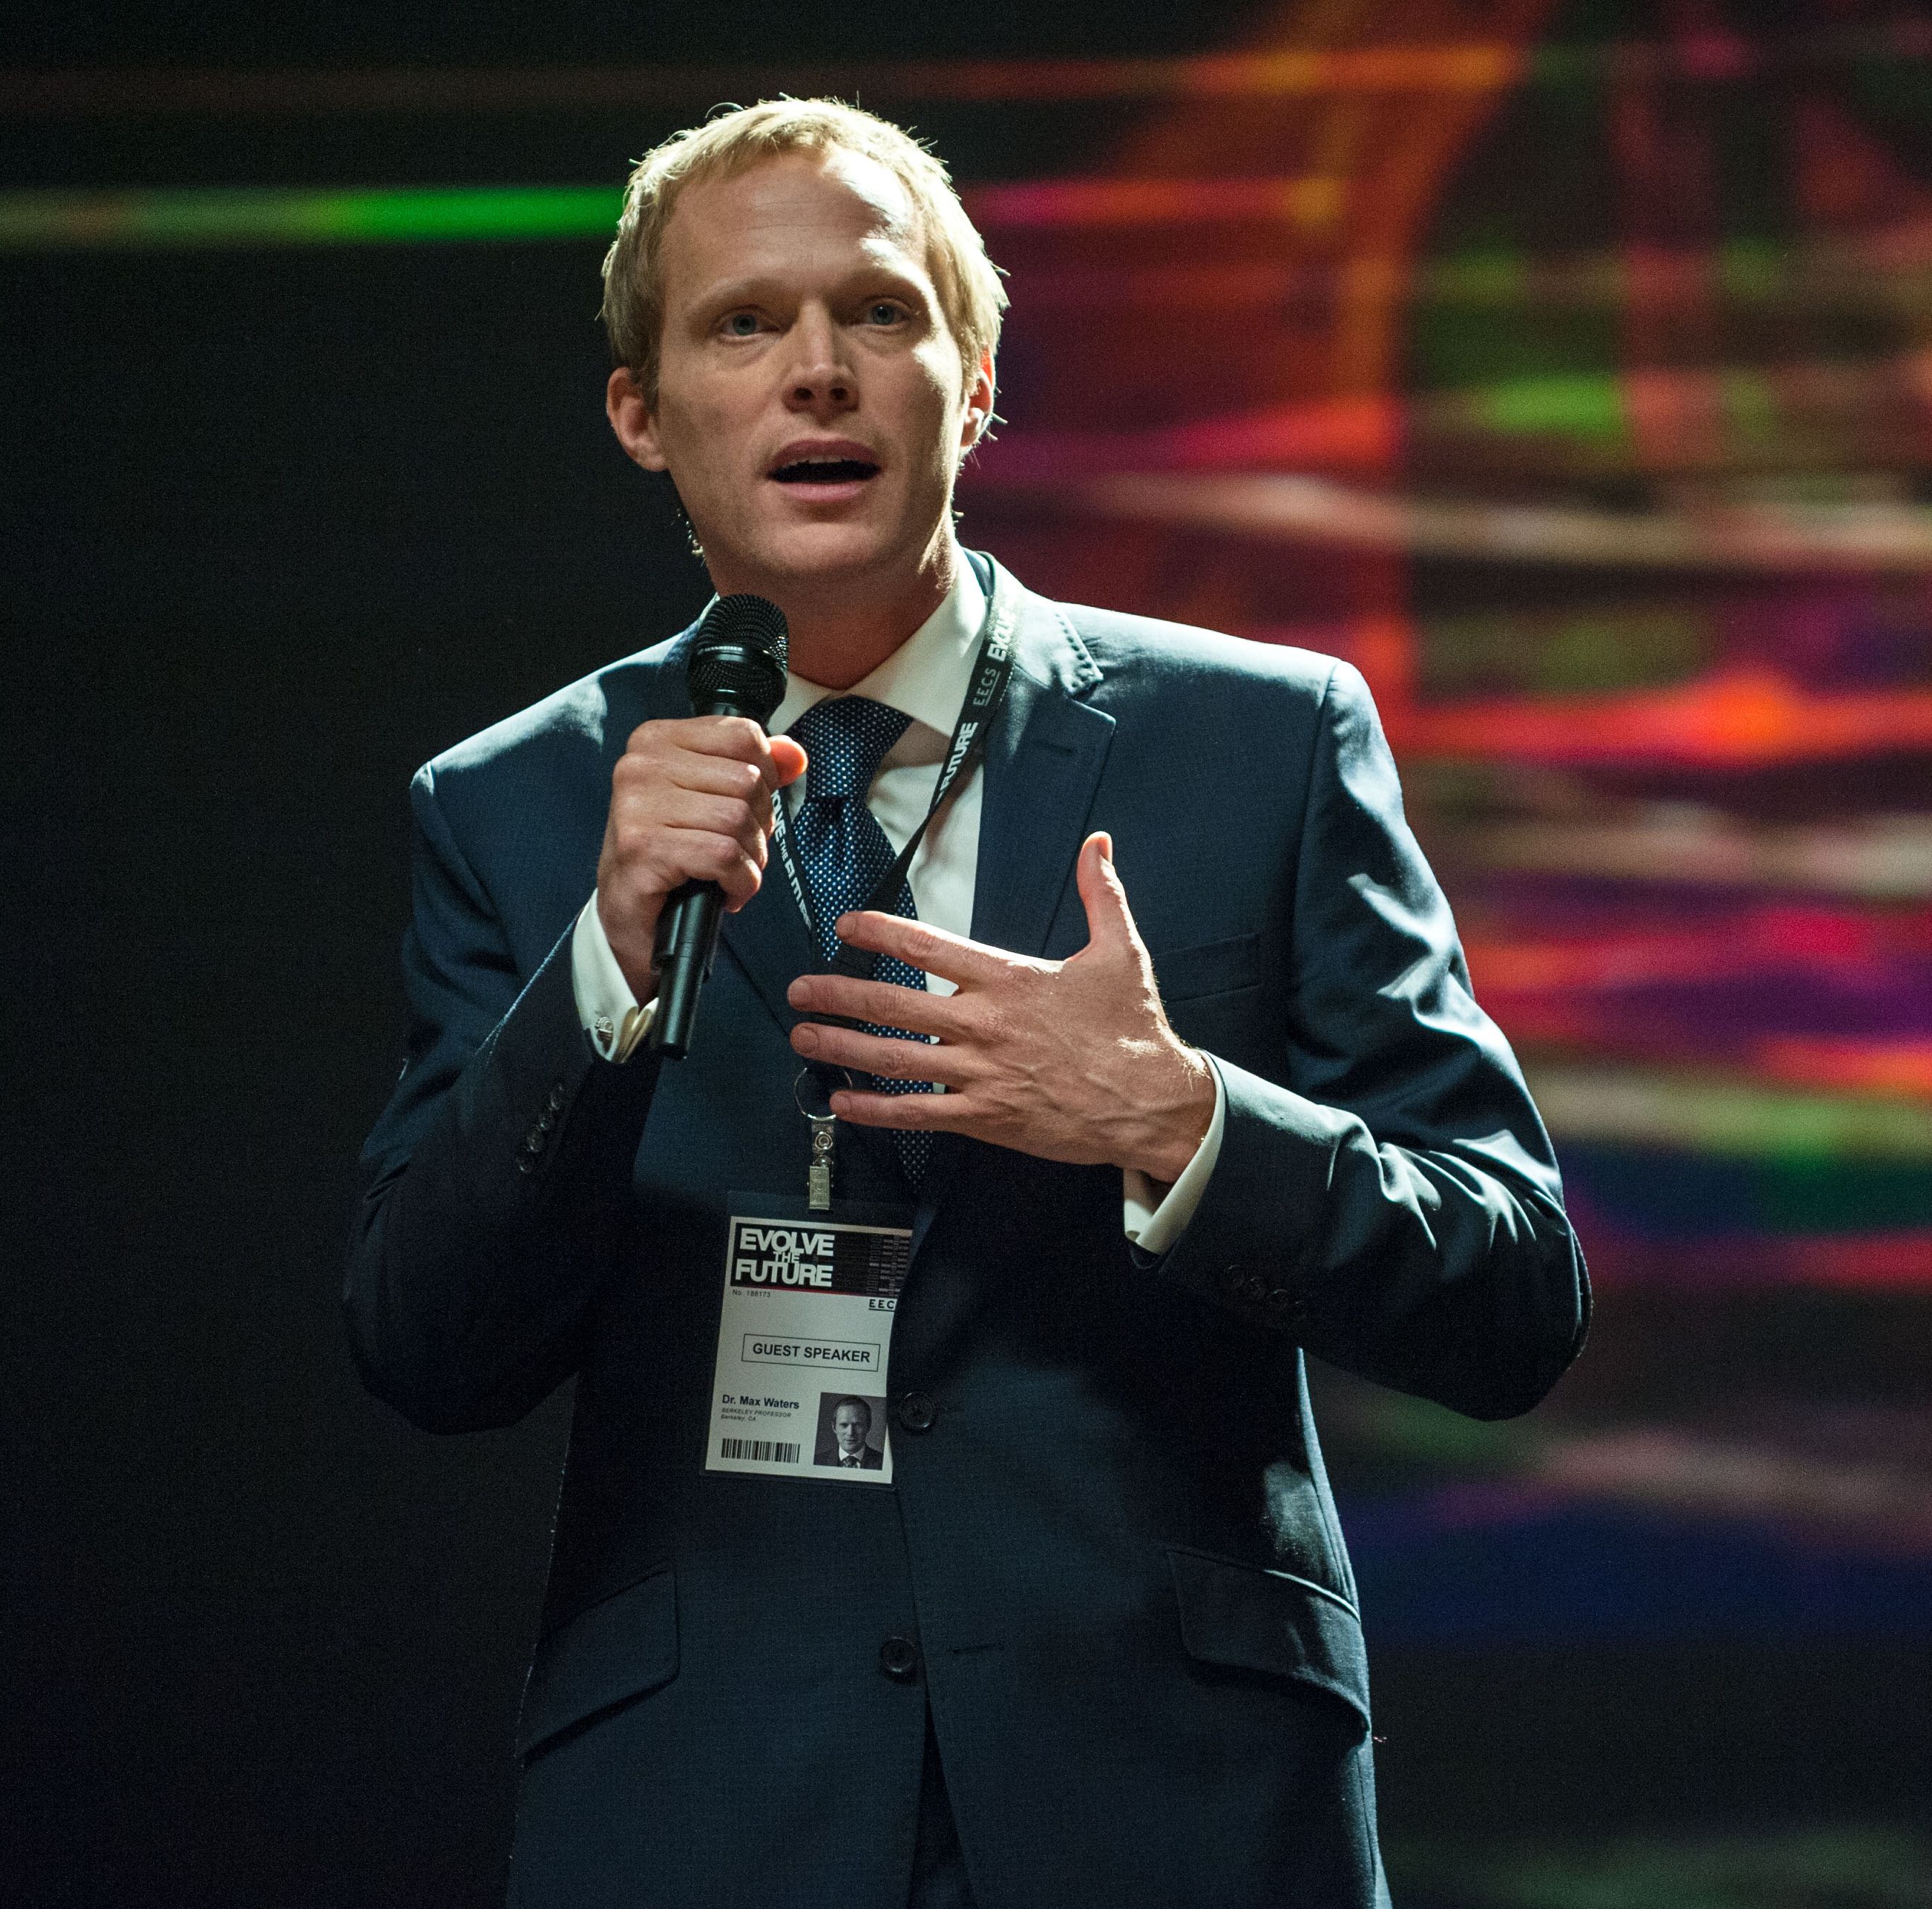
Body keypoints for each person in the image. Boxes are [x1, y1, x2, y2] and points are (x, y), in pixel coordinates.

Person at [347, 97, 1587, 1909]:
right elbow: (425, 1343)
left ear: (978, 375)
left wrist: (1175, 1121)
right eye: (743, 324)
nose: (819, 374)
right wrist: (606, 959)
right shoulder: (518, 807)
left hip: (1175, 1811)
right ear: (641, 410)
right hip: (712, 1820)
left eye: (879, 313)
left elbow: (1513, 1291)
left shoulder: (1260, 744)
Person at [819, 1395, 885, 1470]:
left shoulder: (884, 1463)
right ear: (834, 1427)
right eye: (844, 1425)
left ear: (868, 1427)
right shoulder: (818, 1461)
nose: (850, 1433)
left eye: (858, 1425)